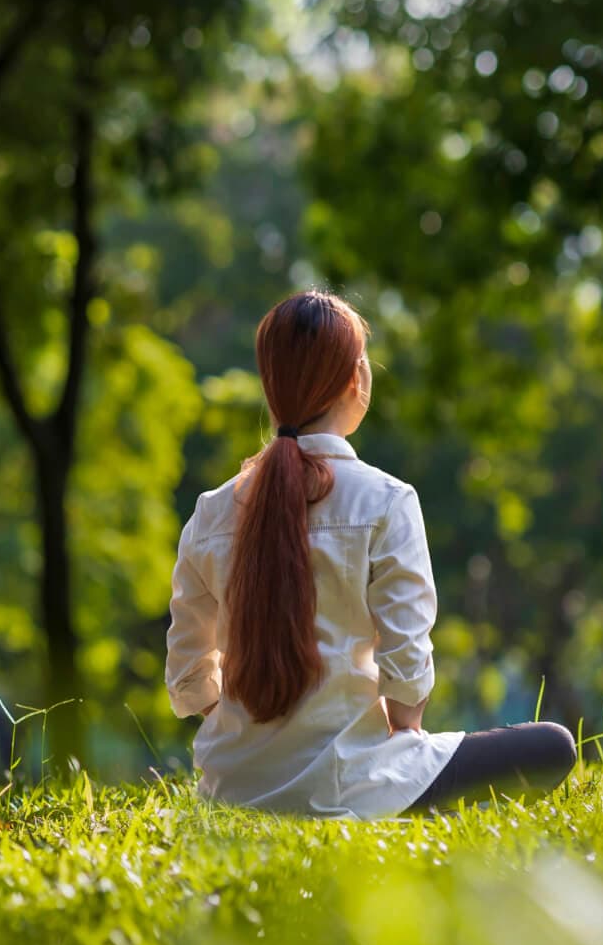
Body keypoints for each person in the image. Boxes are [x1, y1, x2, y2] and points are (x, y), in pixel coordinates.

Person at [165, 290, 577, 818]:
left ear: (271, 388)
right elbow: (406, 675)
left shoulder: (210, 511)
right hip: (358, 785)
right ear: (356, 380)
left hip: (233, 789)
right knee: (553, 746)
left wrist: (256, 741)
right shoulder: (386, 501)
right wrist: (403, 733)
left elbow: (186, 676)